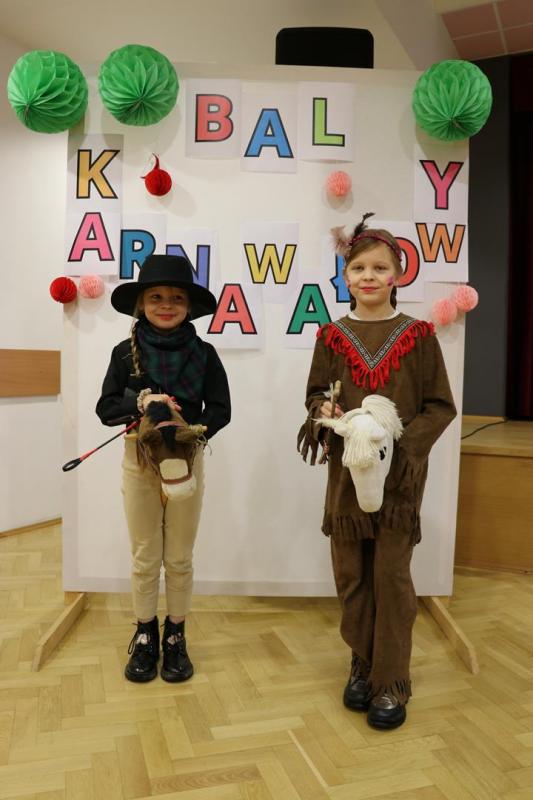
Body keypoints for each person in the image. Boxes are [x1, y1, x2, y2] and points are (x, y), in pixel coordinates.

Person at [298, 214, 456, 730]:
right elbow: (315, 395)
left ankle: (391, 678)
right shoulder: (332, 336)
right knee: (351, 573)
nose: (369, 276)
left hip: (400, 478)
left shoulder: (418, 335)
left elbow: (440, 405)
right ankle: (362, 664)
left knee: (390, 575)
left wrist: (403, 448)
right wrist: (325, 412)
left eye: (380, 267)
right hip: (347, 477)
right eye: (359, 268)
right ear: (345, 276)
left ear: (397, 275)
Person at [96, 254, 231, 684]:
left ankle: (175, 634)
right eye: (156, 297)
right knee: (145, 554)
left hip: (186, 462)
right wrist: (140, 403)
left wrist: (190, 430)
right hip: (139, 460)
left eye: (176, 298)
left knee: (179, 556)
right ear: (141, 304)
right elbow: (105, 408)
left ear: (188, 306)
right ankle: (144, 633)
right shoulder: (124, 354)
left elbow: (221, 410)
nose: (166, 305)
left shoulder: (205, 354)